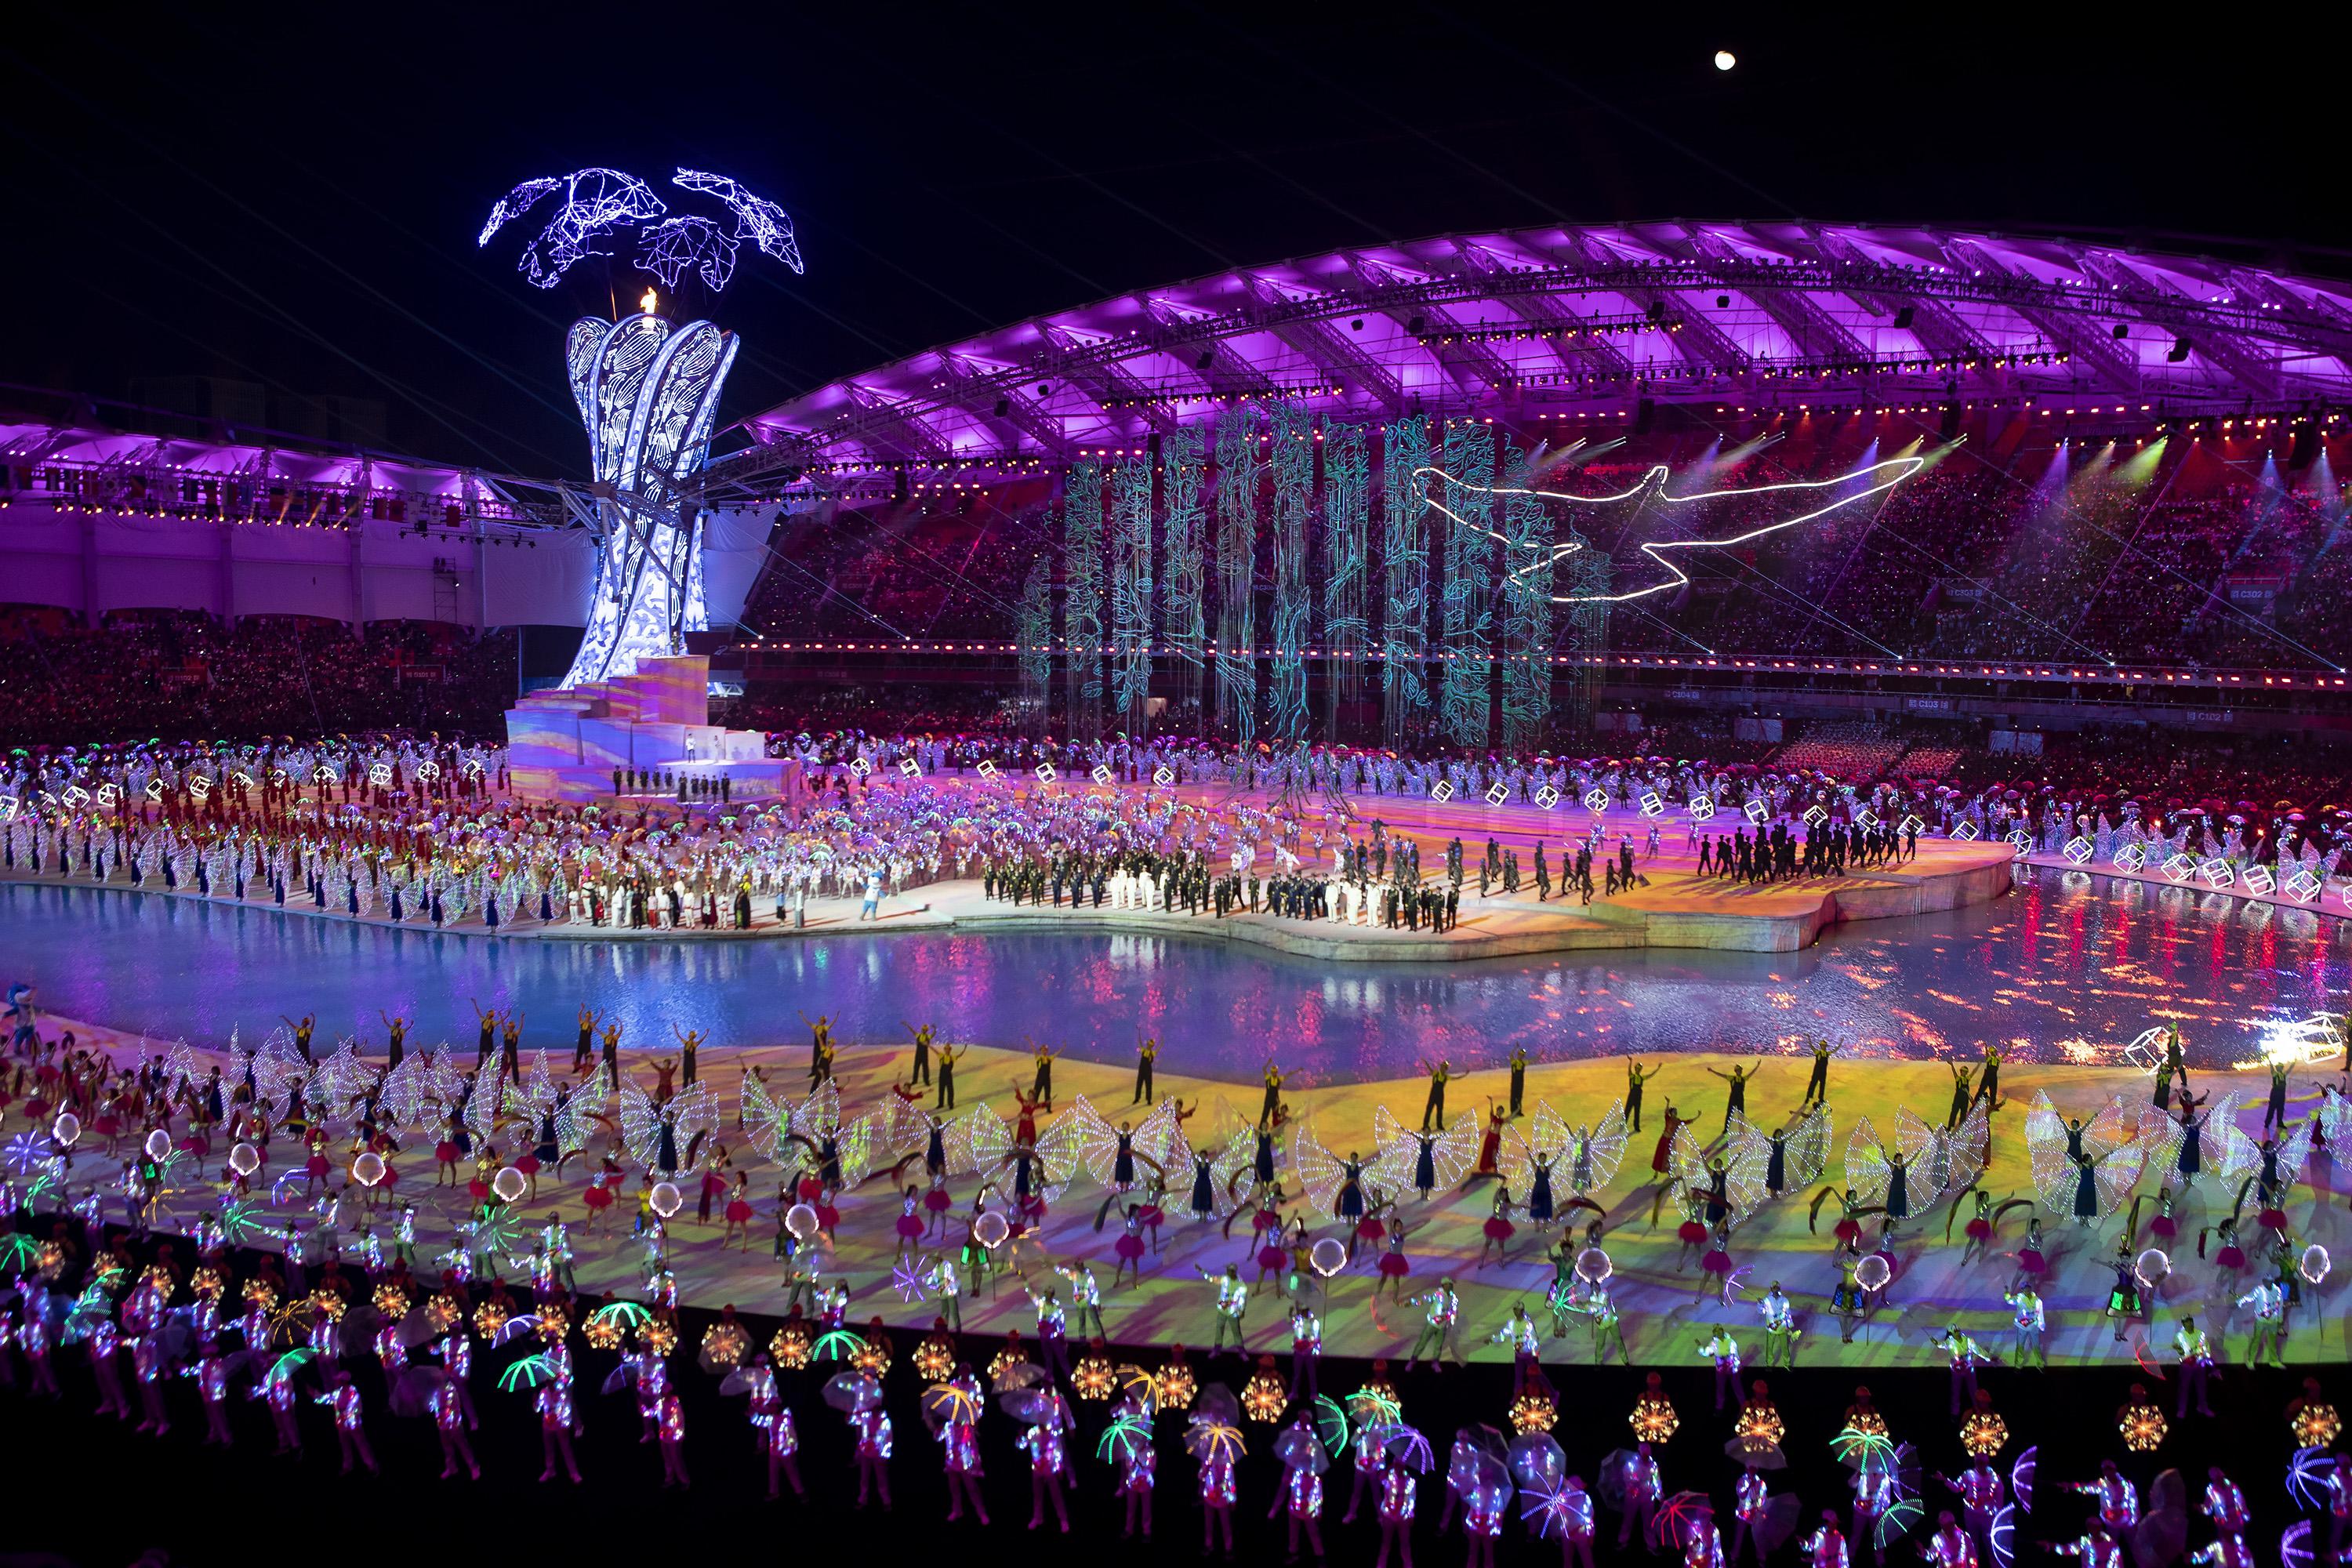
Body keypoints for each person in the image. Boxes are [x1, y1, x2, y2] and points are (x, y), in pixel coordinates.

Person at [2173, 1316, 2216, 1417]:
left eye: (2190, 1321)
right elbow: (2180, 1352)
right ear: (2183, 1324)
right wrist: (2179, 1349)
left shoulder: (2200, 1334)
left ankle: (2203, 1407)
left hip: (2199, 1364)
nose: (2189, 1324)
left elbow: (2206, 1348)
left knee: (2202, 1387)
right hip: (2186, 1365)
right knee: (2184, 1388)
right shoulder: (2179, 1336)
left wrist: (2204, 1355)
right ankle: (2182, 1410)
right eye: (2186, 1322)